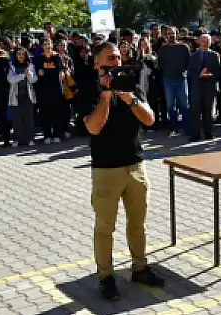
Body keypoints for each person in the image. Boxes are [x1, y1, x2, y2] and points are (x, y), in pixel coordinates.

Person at [81, 41, 162, 301]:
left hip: (135, 165)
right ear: (97, 63)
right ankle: (106, 276)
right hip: (106, 168)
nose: (116, 62)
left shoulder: (130, 84)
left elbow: (149, 119)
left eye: (118, 57)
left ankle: (140, 267)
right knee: (105, 226)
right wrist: (106, 97)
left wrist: (131, 99)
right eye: (110, 59)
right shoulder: (87, 87)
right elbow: (93, 128)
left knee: (138, 223)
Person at [157, 27, 191, 136]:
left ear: (177, 34)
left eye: (173, 33)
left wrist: (183, 72)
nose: (171, 35)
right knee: (170, 106)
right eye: (168, 34)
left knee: (184, 105)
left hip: (181, 79)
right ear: (165, 35)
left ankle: (187, 127)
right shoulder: (163, 49)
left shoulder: (183, 47)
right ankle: (173, 128)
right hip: (168, 80)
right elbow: (160, 64)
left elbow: (188, 62)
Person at [187, 34, 220, 142]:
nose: (205, 43)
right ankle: (195, 134)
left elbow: (218, 72)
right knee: (195, 111)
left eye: (207, 41)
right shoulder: (193, 56)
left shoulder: (215, 55)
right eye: (203, 41)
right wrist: (199, 76)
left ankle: (208, 133)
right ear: (199, 42)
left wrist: (210, 76)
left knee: (208, 110)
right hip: (196, 87)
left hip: (209, 87)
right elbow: (189, 73)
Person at [7, 47, 38, 146]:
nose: (21, 56)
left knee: (29, 119)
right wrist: (22, 76)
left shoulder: (30, 65)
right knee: (17, 120)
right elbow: (10, 79)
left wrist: (29, 74)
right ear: (16, 55)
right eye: (19, 54)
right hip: (16, 96)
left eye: (23, 54)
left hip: (28, 96)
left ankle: (30, 139)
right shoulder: (12, 66)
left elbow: (34, 80)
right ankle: (17, 139)